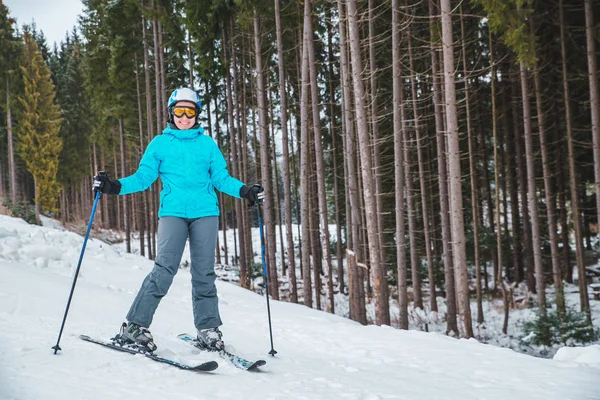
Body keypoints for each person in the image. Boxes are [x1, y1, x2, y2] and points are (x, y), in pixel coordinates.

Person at [93, 87, 263, 352]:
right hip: (172, 213)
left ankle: (207, 328)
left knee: (204, 273)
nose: (185, 117)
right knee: (164, 269)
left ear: (197, 115)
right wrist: (113, 186)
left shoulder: (207, 144)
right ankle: (135, 326)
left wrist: (244, 191)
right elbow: (142, 178)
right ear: (171, 113)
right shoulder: (159, 144)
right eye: (179, 111)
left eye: (190, 112)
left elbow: (221, 178)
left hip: (206, 213)